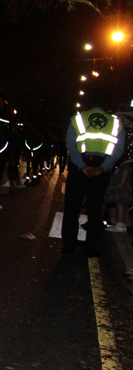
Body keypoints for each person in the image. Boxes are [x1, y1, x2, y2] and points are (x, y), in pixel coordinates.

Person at [61, 97, 124, 257]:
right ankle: (91, 248)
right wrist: (102, 168)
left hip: (79, 167)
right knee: (96, 209)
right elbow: (118, 150)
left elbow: (70, 145)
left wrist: (82, 166)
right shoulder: (116, 123)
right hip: (101, 168)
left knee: (72, 207)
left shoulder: (77, 119)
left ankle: (68, 246)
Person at [105, 112, 133, 233]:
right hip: (123, 166)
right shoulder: (126, 131)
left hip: (124, 167)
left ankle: (121, 224)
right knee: (123, 199)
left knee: (120, 197)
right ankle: (125, 223)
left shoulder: (128, 132)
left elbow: (127, 160)